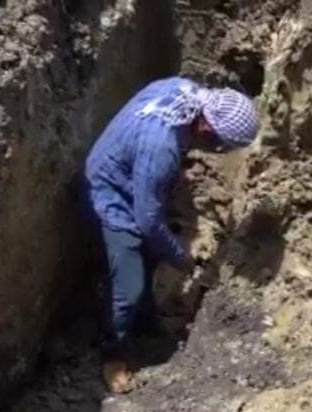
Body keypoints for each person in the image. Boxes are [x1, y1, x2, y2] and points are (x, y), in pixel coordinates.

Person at [84, 77, 259, 393]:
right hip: (113, 189)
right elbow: (148, 221)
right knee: (129, 286)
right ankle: (114, 354)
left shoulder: (184, 89)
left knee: (150, 257)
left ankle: (147, 323)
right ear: (207, 130)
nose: (217, 151)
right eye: (220, 145)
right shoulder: (160, 148)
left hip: (136, 174)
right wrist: (181, 257)